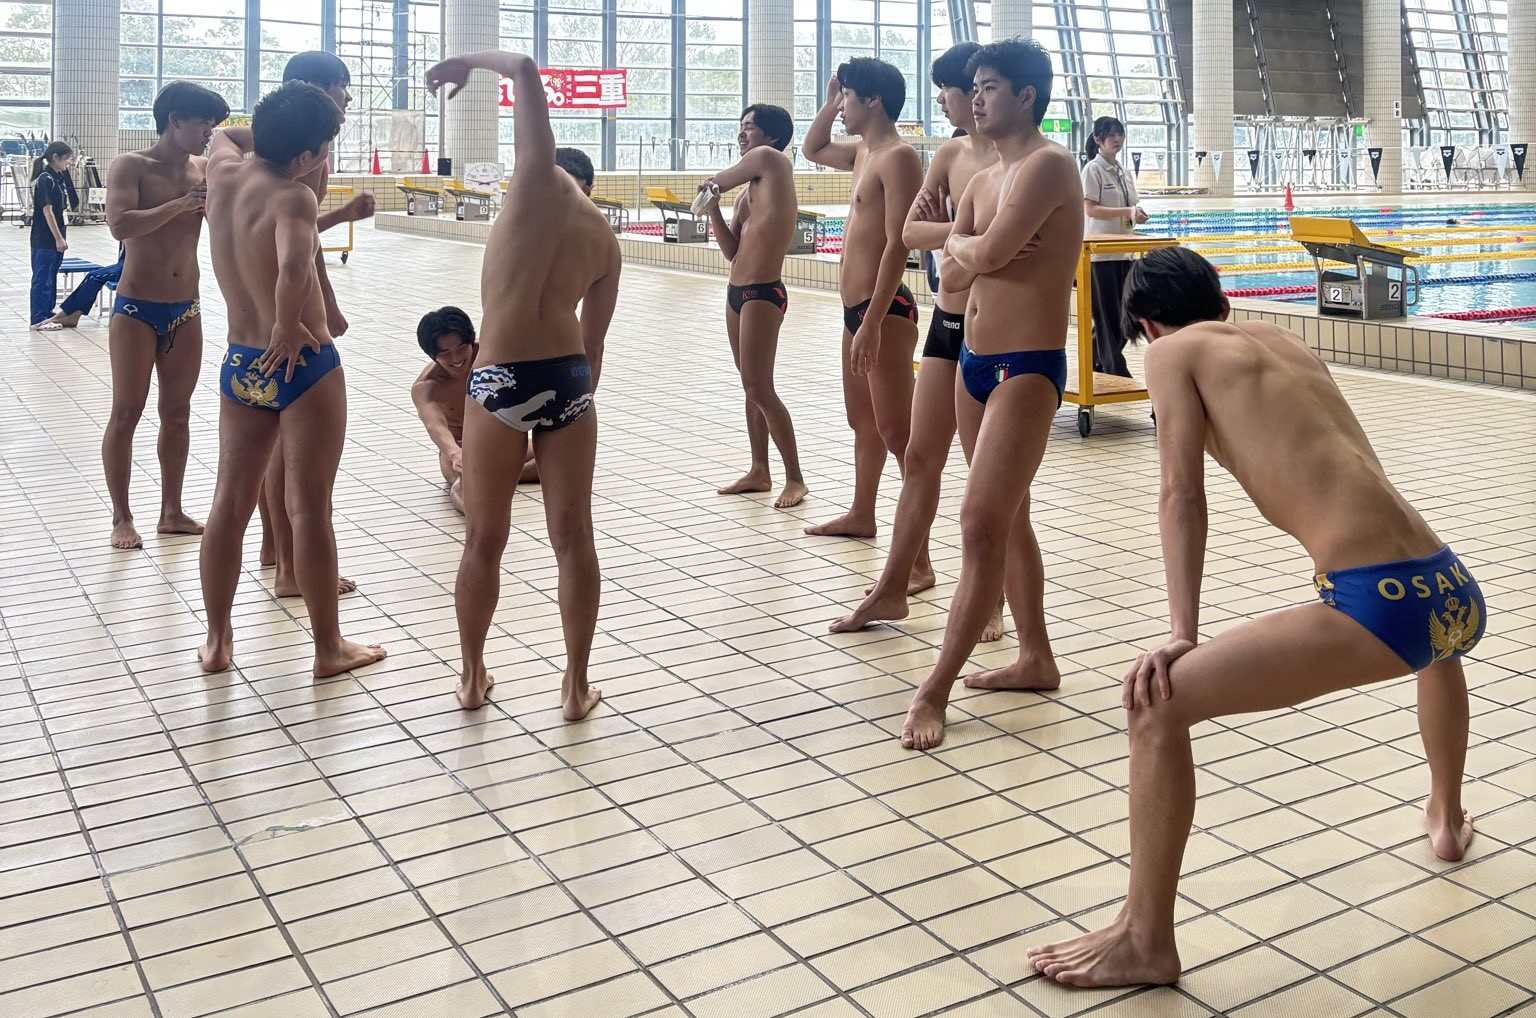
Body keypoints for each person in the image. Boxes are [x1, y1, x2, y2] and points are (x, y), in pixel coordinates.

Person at [1027, 246, 1485, 988]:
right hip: (1450, 585)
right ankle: (1445, 817)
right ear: (1222, 304)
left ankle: (1146, 939)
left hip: (1376, 600)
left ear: (1146, 324)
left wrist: (1182, 632)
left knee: (1155, 706)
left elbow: (1182, 493)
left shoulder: (1171, 353)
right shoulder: (1284, 341)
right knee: (1437, 649)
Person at [899, 38, 1082, 751]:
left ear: (1026, 96)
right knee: (1010, 516)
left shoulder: (1048, 166)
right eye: (972, 87)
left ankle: (933, 689)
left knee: (979, 524)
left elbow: (984, 254)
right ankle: (1036, 657)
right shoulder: (982, 182)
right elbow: (953, 273)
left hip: (1025, 367)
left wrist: (972, 249)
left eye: (990, 87)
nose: (975, 98)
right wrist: (974, 248)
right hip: (972, 361)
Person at [427, 50, 620, 717]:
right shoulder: (604, 240)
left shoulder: (535, 182)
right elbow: (595, 346)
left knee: (485, 538)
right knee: (574, 538)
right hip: (568, 378)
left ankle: (472, 676)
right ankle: (575, 686)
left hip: (500, 378)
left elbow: (523, 67)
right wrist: (573, 402)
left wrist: (463, 62)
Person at [197, 80, 386, 679]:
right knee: (309, 508)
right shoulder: (293, 196)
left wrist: (272, 126)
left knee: (229, 502)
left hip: (241, 363)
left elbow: (224, 134)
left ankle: (217, 641)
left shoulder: (222, 175)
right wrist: (286, 325)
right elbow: (294, 264)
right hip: (300, 361)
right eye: (324, 148)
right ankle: (329, 648)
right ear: (305, 157)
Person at [832, 42, 1006, 640]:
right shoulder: (951, 155)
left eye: (961, 89)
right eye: (965, 90)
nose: (956, 100)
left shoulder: (1025, 164)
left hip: (995, 331)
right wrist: (969, 234)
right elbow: (910, 232)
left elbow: (994, 245)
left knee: (990, 475)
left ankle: (995, 597)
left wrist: (955, 235)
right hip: (946, 321)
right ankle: (894, 584)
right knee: (919, 457)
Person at [257, 51, 377, 597]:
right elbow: (290, 243)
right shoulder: (306, 155)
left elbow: (297, 238)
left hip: (263, 316)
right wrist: (308, 313)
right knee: (293, 454)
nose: (348, 99)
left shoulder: (259, 151)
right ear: (314, 88)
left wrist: (327, 299)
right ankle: (291, 566)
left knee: (272, 444)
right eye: (342, 88)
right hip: (287, 323)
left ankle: (275, 549)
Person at [99, 82, 230, 550]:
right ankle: (122, 516)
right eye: (203, 124)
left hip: (185, 309)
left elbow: (230, 222)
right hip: (136, 308)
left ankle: (171, 511)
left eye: (213, 126)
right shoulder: (131, 165)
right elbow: (119, 224)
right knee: (127, 411)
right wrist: (181, 204)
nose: (209, 133)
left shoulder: (204, 169)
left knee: (177, 413)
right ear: (175, 120)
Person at [803, 59, 925, 552]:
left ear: (873, 100)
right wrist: (830, 98)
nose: (841, 108)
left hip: (884, 310)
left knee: (899, 436)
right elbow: (812, 148)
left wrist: (872, 322)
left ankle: (919, 556)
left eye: (848, 98)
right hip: (857, 312)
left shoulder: (898, 157)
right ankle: (862, 512)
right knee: (863, 422)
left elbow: (899, 243)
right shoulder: (862, 153)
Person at [698, 103, 807, 510]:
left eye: (750, 127)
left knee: (760, 386)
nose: (742, 133)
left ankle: (795, 478)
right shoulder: (746, 196)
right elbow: (732, 251)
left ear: (772, 136)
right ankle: (759, 469)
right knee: (751, 385)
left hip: (763, 293)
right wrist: (713, 211)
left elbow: (714, 181)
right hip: (737, 292)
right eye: (740, 126)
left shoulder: (772, 161)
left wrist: (709, 191)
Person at [1081, 116, 1147, 378]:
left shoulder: (1123, 172)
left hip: (1125, 252)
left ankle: (1094, 359)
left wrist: (1135, 217)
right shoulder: (1093, 170)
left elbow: (1128, 209)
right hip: (1100, 255)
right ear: (1098, 139)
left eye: (1120, 134)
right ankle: (1115, 370)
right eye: (1111, 135)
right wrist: (1127, 211)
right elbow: (1090, 209)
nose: (1117, 139)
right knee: (1108, 317)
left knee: (1128, 315)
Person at [412, 306, 477, 513]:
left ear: (471, 342)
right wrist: (454, 452)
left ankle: (504, 473)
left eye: (461, 348)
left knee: (559, 458)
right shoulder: (427, 387)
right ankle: (478, 521)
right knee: (463, 481)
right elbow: (435, 425)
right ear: (433, 356)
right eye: (445, 353)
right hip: (459, 446)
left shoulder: (490, 358)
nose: (456, 358)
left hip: (498, 442)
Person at [28, 141, 74, 330]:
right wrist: (58, 238)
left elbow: (71, 203)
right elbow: (47, 211)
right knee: (42, 278)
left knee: (51, 276)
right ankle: (37, 318)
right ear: (55, 157)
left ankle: (47, 314)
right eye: (67, 159)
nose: (69, 163)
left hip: (56, 236)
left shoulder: (57, 178)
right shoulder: (45, 179)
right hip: (44, 238)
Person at [46, 247, 123, 328]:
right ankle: (73, 314)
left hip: (129, 267)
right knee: (91, 275)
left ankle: (67, 314)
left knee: (94, 277)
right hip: (124, 263)